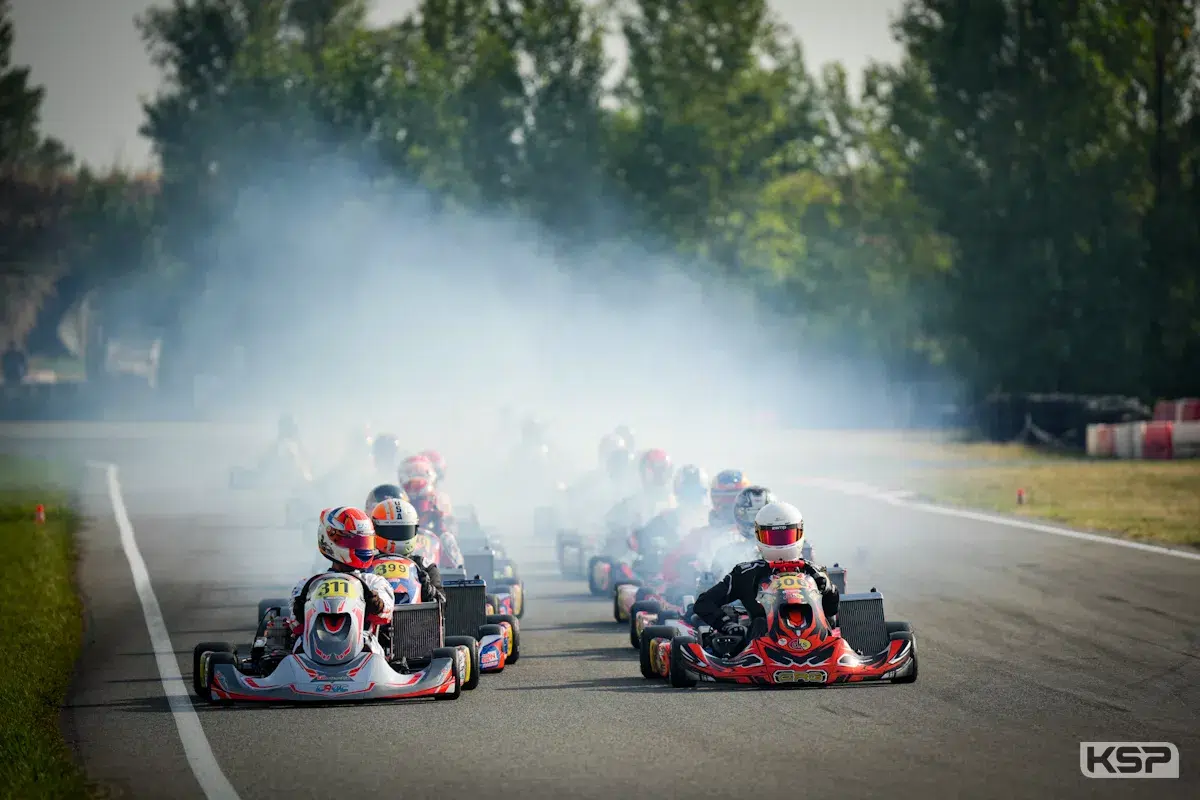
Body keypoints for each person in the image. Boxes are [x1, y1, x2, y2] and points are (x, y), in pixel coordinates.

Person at [691, 501, 839, 644]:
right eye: (773, 538)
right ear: (759, 536)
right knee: (760, 622)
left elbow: (831, 611)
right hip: (761, 646)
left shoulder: (813, 572)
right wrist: (727, 625)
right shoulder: (746, 574)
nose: (780, 544)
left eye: (785, 537)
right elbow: (703, 603)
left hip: (815, 640)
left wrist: (828, 589)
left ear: (799, 534)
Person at [288, 507, 394, 655]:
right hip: (311, 653)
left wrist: (376, 603)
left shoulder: (373, 582)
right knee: (298, 645)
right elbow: (296, 625)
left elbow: (386, 614)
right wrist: (301, 609)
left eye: (365, 542)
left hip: (362, 652)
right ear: (331, 539)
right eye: (357, 542)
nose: (362, 548)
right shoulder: (307, 585)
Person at [369, 498, 445, 603]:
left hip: (418, 618)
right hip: (375, 617)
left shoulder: (424, 567)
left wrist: (428, 590)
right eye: (392, 531)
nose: (398, 536)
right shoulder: (366, 565)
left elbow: (443, 602)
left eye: (403, 531)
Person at [403, 477, 465, 569]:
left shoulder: (439, 526)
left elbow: (457, 566)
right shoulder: (398, 531)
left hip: (433, 575)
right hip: (403, 574)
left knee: (447, 538)